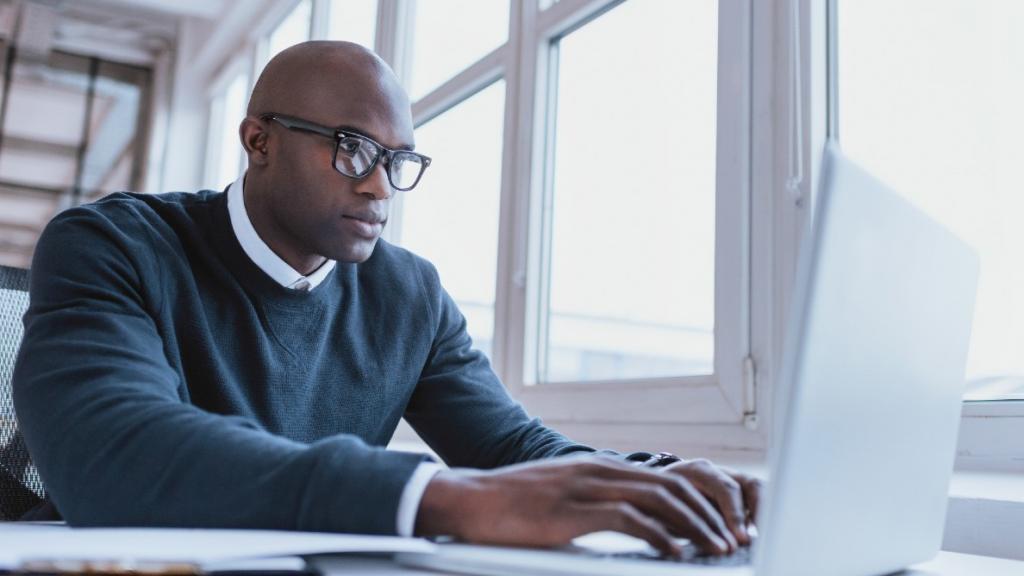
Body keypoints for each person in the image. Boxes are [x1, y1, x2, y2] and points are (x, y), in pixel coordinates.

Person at [13, 41, 759, 559]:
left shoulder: (411, 295)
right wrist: (440, 498)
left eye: (397, 161)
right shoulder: (113, 243)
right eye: (351, 147)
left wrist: (657, 480)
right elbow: (111, 455)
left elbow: (510, 451)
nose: (377, 185)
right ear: (258, 140)